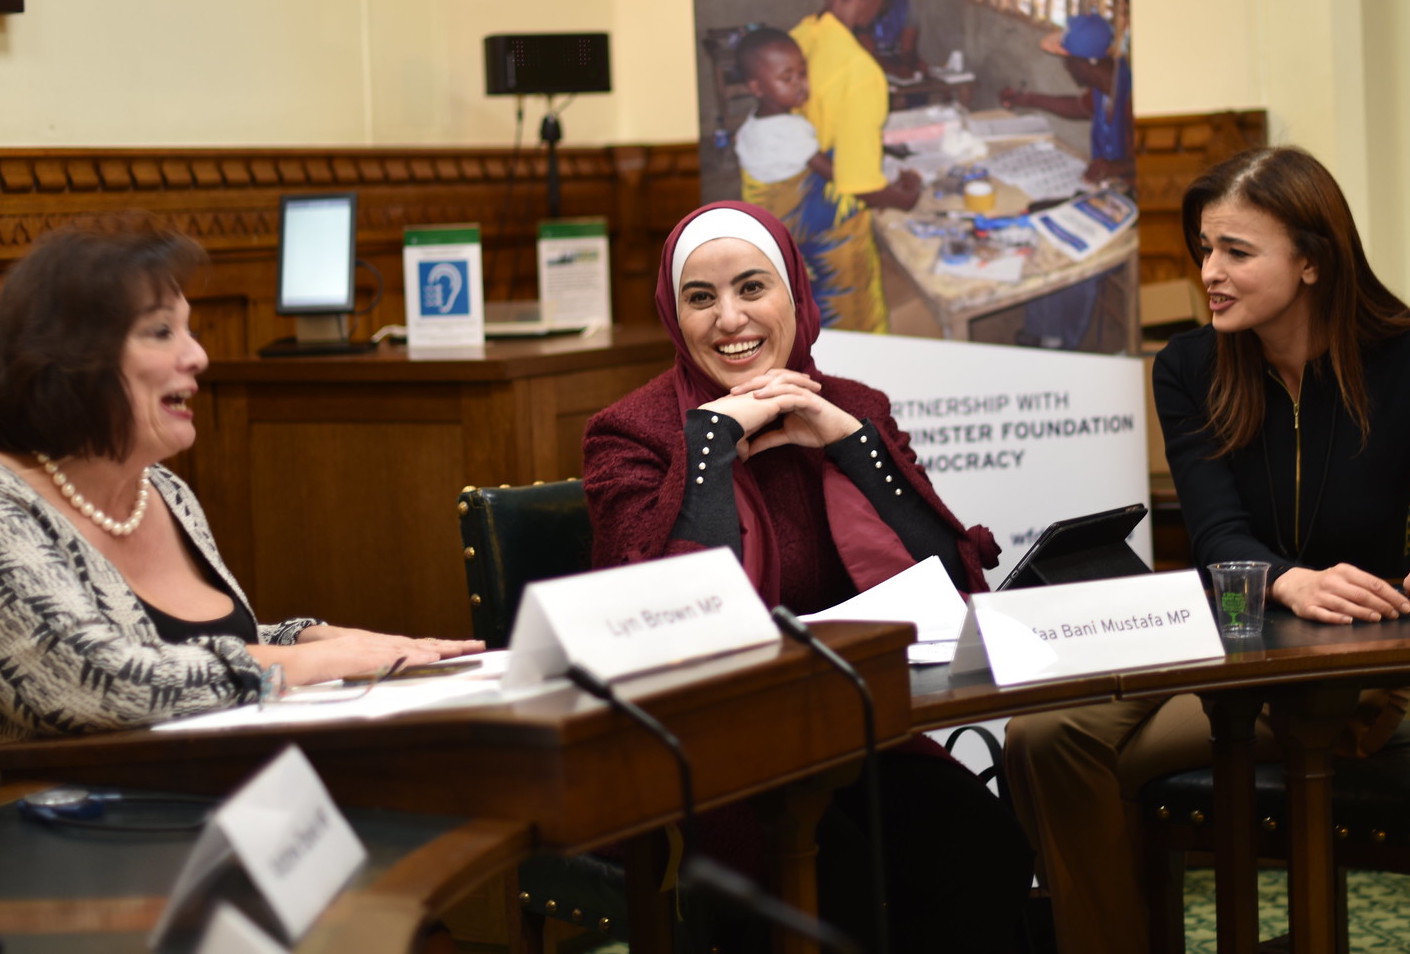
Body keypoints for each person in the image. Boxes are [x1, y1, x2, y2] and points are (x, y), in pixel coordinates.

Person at [583, 200, 1032, 952]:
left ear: (795, 293)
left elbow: (951, 585)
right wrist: (712, 445)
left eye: (752, 288)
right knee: (831, 880)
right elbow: (659, 608)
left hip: (851, 729)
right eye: (701, 298)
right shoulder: (630, 432)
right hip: (708, 747)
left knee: (980, 843)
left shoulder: (855, 407)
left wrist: (854, 445)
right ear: (674, 313)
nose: (729, 319)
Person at [1004, 146, 1410, 953]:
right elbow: (1218, 533)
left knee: (1083, 760)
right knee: (1036, 736)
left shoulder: (1401, 357)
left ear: (1311, 262)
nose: (1208, 271)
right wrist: (1289, 582)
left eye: (1235, 250)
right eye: (1203, 248)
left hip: (1355, 662)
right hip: (1231, 639)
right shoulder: (1189, 367)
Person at [0, 214, 481, 743]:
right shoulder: (9, 510)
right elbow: (98, 681)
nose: (198, 356)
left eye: (191, 330)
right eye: (162, 332)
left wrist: (309, 639)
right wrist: (310, 663)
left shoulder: (163, 490)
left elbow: (197, 646)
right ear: (71, 360)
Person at [777, 0, 922, 334]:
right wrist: (907, 198)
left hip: (791, 209)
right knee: (851, 320)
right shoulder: (858, 70)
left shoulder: (799, 35)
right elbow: (862, 187)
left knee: (803, 309)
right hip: (831, 225)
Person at [999, 13, 1133, 187]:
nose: (1066, 67)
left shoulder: (1130, 94)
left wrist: (1116, 167)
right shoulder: (1105, 84)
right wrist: (1027, 99)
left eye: (1067, 61)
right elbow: (1078, 107)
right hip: (1109, 185)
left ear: (1084, 64)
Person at [733, 28, 834, 194]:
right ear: (757, 88)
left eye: (802, 73)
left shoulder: (753, 121)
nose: (800, 83)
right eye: (787, 78)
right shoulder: (789, 130)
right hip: (790, 207)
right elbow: (830, 172)